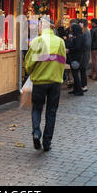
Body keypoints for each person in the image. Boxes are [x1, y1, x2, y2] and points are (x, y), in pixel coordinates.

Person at [25, 17, 66, 152]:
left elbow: (29, 63)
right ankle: (47, 143)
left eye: (39, 25)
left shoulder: (37, 41)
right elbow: (62, 61)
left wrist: (32, 73)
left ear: (43, 26)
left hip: (40, 82)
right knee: (51, 112)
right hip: (55, 82)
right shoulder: (60, 42)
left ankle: (36, 132)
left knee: (37, 108)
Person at [65, 23, 85, 96]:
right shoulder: (78, 36)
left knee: (75, 74)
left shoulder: (79, 37)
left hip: (76, 57)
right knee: (74, 74)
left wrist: (69, 50)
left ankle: (79, 90)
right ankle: (76, 89)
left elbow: (77, 47)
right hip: (75, 57)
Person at [79, 19, 91, 91]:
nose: (79, 24)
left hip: (85, 53)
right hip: (85, 53)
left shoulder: (86, 31)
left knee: (83, 69)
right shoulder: (85, 31)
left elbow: (87, 44)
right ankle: (83, 85)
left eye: (80, 23)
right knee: (82, 69)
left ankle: (84, 86)